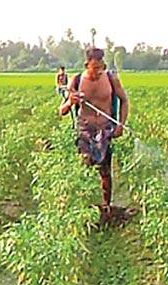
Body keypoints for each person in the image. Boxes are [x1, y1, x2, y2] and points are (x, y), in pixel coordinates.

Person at [59, 47, 129, 209]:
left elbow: (124, 101)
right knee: (85, 165)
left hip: (105, 129)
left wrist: (121, 124)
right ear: (86, 65)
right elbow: (61, 111)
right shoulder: (76, 81)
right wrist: (71, 102)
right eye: (95, 68)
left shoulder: (111, 79)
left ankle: (106, 206)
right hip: (85, 129)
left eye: (101, 67)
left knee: (105, 170)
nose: (99, 71)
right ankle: (84, 206)